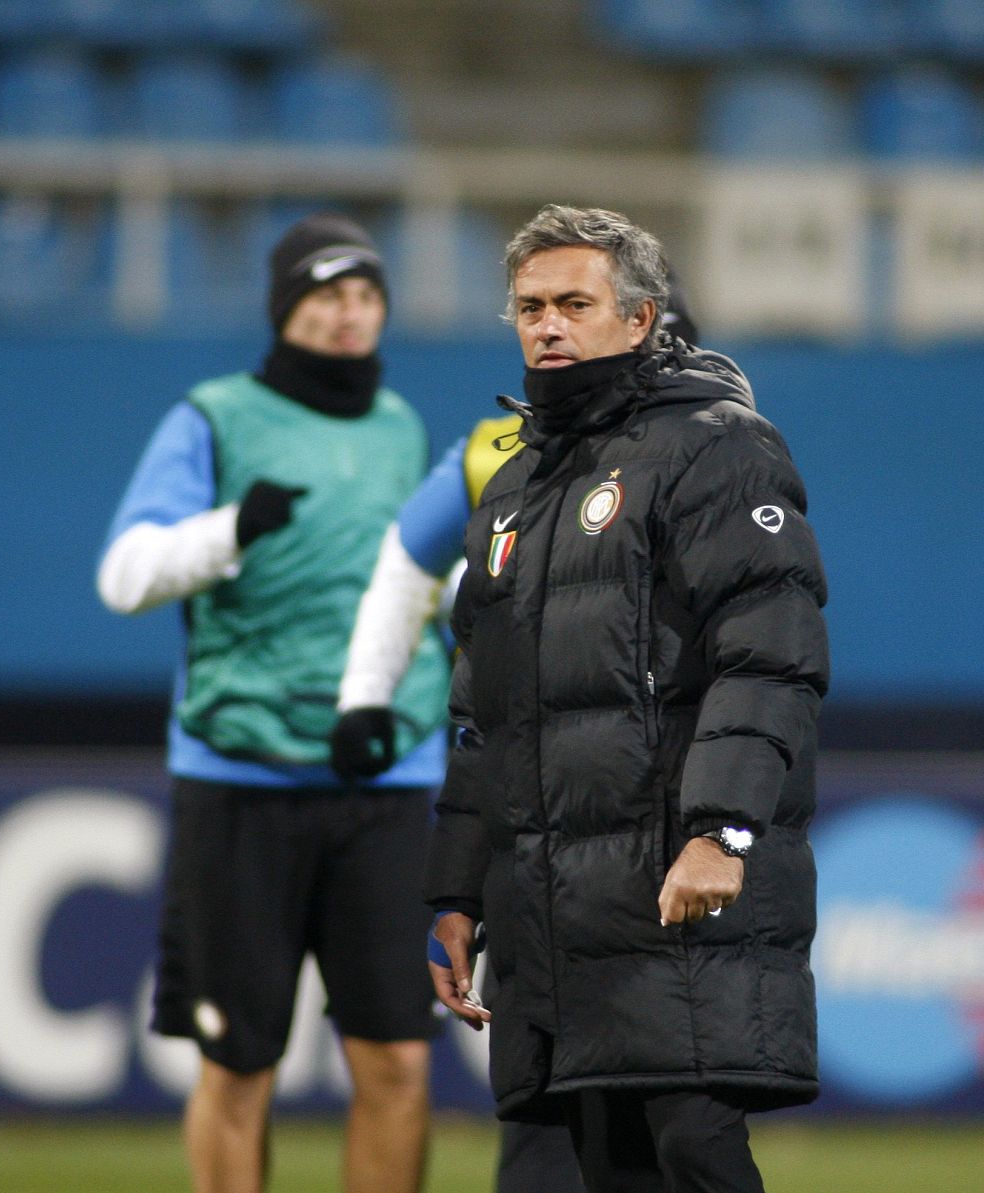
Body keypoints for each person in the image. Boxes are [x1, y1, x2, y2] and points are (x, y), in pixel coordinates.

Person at [425, 204, 828, 1193]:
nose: (547, 324)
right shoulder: (513, 490)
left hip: (668, 887)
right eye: (528, 306)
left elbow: (768, 652)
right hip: (546, 916)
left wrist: (721, 830)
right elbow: (486, 714)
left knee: (688, 1150)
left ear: (640, 319)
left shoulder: (717, 449)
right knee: (560, 1167)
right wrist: (456, 888)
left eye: (574, 302)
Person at [98, 213, 450, 1193]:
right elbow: (124, 574)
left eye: (366, 293)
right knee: (237, 1060)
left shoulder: (402, 425)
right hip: (240, 777)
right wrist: (226, 530)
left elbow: (425, 583)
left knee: (397, 1059)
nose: (350, 313)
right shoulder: (211, 416)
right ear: (286, 305)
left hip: (384, 776)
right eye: (328, 292)